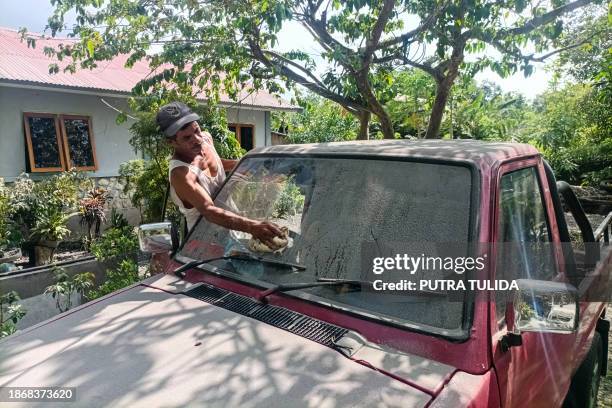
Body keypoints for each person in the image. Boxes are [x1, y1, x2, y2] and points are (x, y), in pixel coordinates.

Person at [156, 101, 283, 248]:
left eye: (196, 130)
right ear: (171, 142)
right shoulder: (180, 174)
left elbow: (217, 162)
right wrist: (252, 226)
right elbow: (209, 211)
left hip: (235, 231)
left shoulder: (206, 139)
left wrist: (249, 164)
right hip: (207, 247)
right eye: (187, 138)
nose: (197, 140)